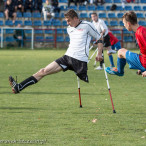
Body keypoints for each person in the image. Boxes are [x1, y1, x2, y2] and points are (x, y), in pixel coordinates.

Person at [9, 9, 103, 94]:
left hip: (79, 60)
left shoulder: (87, 25)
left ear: (75, 18)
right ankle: (19, 87)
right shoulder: (69, 29)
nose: (67, 23)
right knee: (43, 71)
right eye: (66, 21)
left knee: (82, 77)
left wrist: (99, 54)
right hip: (67, 57)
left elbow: (99, 38)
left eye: (69, 20)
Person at [105, 11, 146, 77]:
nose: (124, 26)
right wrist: (139, 67)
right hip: (142, 62)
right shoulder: (139, 31)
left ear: (128, 24)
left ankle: (119, 71)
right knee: (122, 51)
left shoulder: (141, 32)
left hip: (144, 63)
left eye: (124, 23)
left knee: (121, 51)